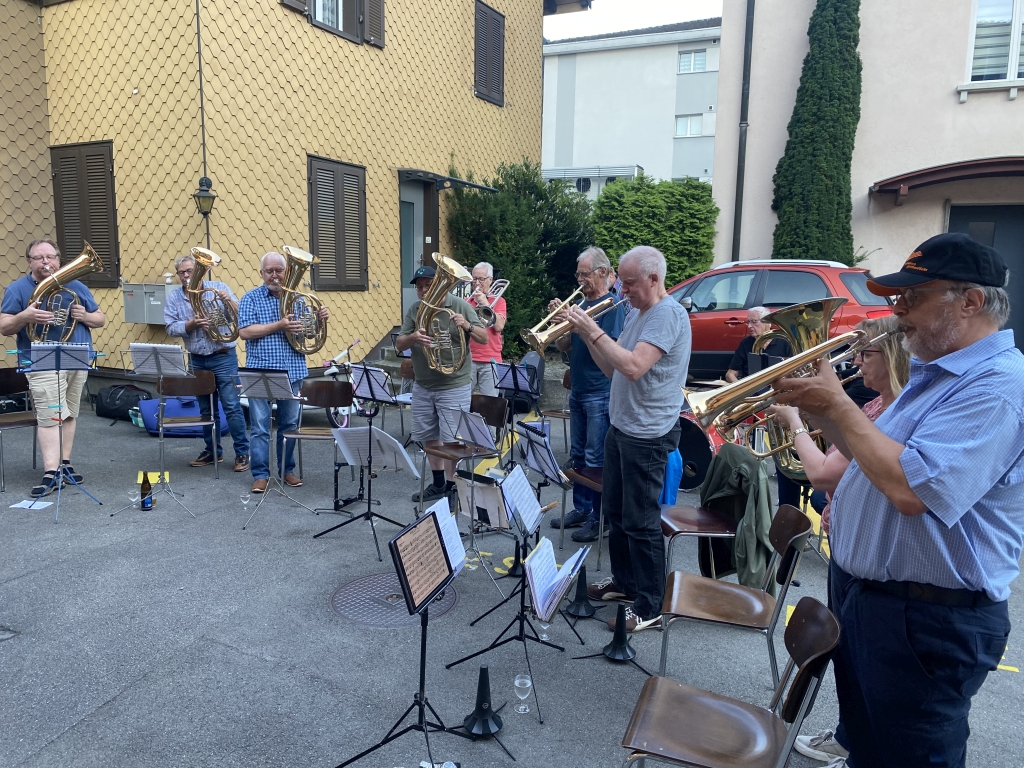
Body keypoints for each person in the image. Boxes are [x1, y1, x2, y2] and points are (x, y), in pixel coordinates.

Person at [774, 232, 1024, 768]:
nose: (897, 309)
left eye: (913, 297)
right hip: (879, 604)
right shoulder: (933, 373)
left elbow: (912, 490)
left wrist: (838, 407)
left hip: (928, 618)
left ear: (971, 301)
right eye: (896, 297)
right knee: (871, 750)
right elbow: (868, 458)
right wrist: (813, 406)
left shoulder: (1000, 387)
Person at [770, 314, 909, 766]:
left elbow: (822, 474)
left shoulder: (889, 413)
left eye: (864, 353)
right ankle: (851, 739)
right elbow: (840, 453)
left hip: (870, 564)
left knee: (861, 665)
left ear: (891, 357)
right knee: (849, 661)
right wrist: (816, 411)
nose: (856, 362)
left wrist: (794, 422)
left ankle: (854, 744)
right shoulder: (873, 407)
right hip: (846, 551)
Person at [570, 245, 691, 633]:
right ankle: (625, 584)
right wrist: (588, 337)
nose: (623, 290)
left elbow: (635, 367)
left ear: (655, 279)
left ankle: (650, 603)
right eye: (621, 281)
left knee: (641, 521)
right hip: (623, 428)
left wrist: (593, 329)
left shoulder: (667, 315)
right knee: (618, 514)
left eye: (630, 282)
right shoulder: (638, 314)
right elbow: (613, 368)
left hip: (647, 434)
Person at [0, 239, 105, 497]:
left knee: (68, 412)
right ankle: (51, 472)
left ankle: (64, 463)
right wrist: (26, 316)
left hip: (76, 356)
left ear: (59, 259)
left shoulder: (76, 285)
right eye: (39, 258)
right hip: (40, 358)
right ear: (29, 261)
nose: (46, 262)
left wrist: (85, 317)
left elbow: (99, 318)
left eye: (50, 256)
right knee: (49, 415)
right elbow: (4, 326)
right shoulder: (18, 289)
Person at [548, 247, 626, 543]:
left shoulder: (612, 306)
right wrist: (561, 326)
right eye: (578, 273)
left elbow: (612, 348)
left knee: (595, 458)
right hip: (579, 389)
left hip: (599, 390)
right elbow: (565, 347)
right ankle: (581, 508)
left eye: (585, 273)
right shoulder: (581, 303)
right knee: (578, 456)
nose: (580, 279)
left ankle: (598, 516)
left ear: (603, 273)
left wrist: (582, 326)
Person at [238, 252, 329, 494]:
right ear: (262, 273)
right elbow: (245, 332)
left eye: (280, 270)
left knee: (289, 425)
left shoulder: (298, 301)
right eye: (270, 271)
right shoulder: (251, 299)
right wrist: (279, 325)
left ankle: (286, 470)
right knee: (259, 426)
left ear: (286, 273)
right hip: (261, 371)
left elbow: (307, 336)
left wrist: (319, 322)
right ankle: (260, 474)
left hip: (293, 370)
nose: (275, 275)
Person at [396, 264, 487, 503]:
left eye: (428, 285)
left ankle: (452, 486)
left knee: (452, 440)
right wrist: (414, 337)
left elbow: (484, 337)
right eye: (419, 287)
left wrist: (466, 325)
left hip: (454, 384)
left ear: (437, 285)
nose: (424, 291)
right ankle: (437, 483)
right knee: (429, 436)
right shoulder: (415, 309)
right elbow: (399, 344)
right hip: (424, 384)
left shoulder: (461, 306)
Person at [164, 253, 250, 472]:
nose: (186, 276)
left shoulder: (218, 288)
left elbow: (241, 318)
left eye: (190, 271)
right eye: (182, 272)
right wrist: (191, 324)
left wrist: (227, 301)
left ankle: (242, 453)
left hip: (223, 356)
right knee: (205, 409)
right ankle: (212, 451)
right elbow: (170, 327)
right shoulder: (174, 297)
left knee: (231, 406)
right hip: (197, 359)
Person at [466, 262, 506, 397]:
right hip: (468, 358)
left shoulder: (499, 301)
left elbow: (499, 326)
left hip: (491, 360)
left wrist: (485, 303)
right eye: (474, 279)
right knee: (462, 401)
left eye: (481, 279)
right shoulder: (466, 302)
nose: (477, 283)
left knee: (490, 405)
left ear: (490, 280)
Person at [724, 306, 791, 382]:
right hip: (752, 389)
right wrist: (743, 390)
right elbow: (730, 374)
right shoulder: (745, 343)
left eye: (754, 321)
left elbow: (793, 371)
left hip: (778, 388)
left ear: (767, 322)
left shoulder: (784, 341)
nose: (749, 326)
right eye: (748, 322)